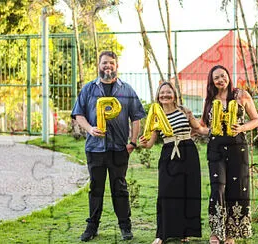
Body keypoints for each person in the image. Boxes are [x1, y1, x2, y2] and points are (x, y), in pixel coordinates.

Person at [71, 50, 146, 242]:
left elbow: (136, 117)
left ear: (117, 66)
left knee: (119, 188)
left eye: (111, 63)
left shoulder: (127, 90)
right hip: (95, 148)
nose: (108, 66)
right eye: (104, 63)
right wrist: (89, 129)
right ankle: (92, 227)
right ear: (99, 65)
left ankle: (125, 227)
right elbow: (78, 115)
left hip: (119, 149)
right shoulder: (88, 89)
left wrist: (133, 142)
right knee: (96, 188)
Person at [139, 82, 209, 244]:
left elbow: (198, 128)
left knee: (188, 191)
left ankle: (185, 231)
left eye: (168, 92)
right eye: (162, 93)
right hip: (169, 153)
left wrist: (217, 130)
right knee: (166, 192)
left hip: (188, 151)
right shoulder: (156, 115)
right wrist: (143, 143)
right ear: (158, 96)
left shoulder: (184, 110)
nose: (165, 95)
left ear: (174, 95)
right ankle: (161, 234)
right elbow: (149, 143)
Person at [201, 65, 258, 244]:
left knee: (237, 188)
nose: (220, 80)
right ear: (212, 81)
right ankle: (216, 231)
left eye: (223, 76)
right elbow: (204, 126)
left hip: (238, 148)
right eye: (216, 77)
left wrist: (241, 127)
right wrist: (194, 127)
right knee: (218, 187)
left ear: (228, 76)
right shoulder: (210, 100)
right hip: (216, 148)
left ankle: (231, 233)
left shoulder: (241, 95)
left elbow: (256, 120)